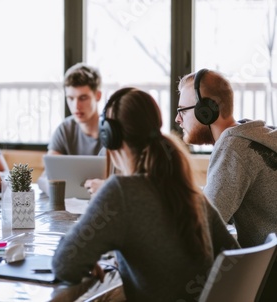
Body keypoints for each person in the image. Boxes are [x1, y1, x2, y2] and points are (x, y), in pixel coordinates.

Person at [52, 88, 239, 301]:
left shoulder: (120, 192)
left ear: (109, 136)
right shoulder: (188, 190)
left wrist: (83, 253)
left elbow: (65, 266)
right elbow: (234, 256)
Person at [176, 69, 277, 300]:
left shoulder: (234, 146)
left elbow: (202, 225)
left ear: (207, 111)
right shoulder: (252, 137)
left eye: (182, 110)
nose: (177, 119)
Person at [40, 63, 107, 193]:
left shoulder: (113, 131)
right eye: (70, 98)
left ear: (98, 96)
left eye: (83, 98)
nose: (76, 106)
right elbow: (48, 176)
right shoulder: (65, 129)